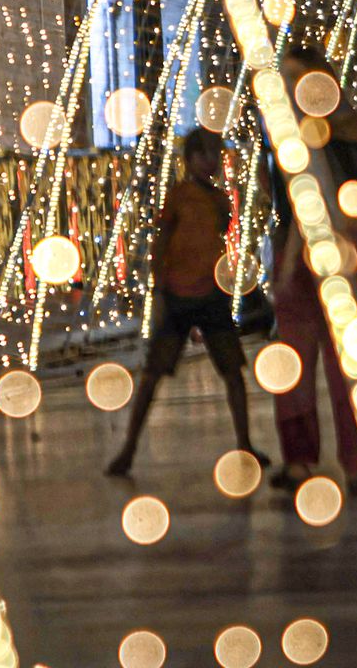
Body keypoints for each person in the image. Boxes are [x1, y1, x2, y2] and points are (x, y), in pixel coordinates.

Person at [106, 127, 268, 476]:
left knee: (232, 372)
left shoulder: (218, 199)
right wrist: (160, 288)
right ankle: (129, 448)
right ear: (190, 159)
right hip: (179, 296)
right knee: (153, 374)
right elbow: (162, 243)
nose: (210, 161)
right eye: (203, 154)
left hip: (209, 295)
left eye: (214, 154)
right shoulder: (180, 198)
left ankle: (245, 444)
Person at [263, 47, 357, 493]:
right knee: (316, 361)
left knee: (325, 363)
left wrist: (286, 269)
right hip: (336, 247)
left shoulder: (309, 133)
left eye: (296, 79)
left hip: (327, 248)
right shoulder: (336, 127)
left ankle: (333, 461)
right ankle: (340, 462)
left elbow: (311, 205)